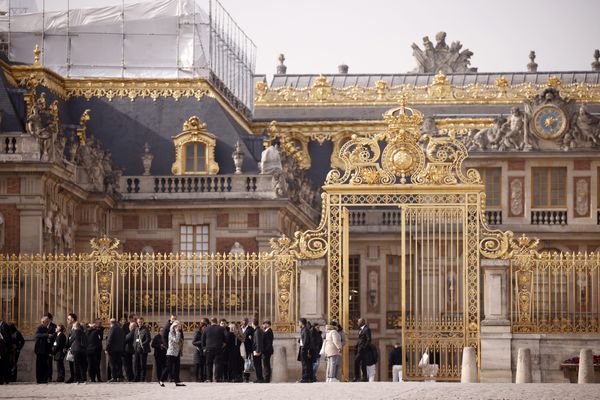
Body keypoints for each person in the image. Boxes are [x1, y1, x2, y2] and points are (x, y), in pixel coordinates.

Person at [159, 320, 185, 387]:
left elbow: (181, 340)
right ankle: (161, 380)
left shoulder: (177, 332)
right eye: (176, 326)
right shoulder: (171, 333)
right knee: (168, 367)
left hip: (176, 352)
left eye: (179, 326)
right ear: (173, 327)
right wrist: (177, 332)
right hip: (171, 352)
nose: (178, 327)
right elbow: (176, 340)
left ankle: (177, 382)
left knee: (176, 367)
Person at [202, 317, 226, 382]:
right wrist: (222, 346)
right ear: (217, 321)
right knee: (217, 363)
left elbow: (203, 340)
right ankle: (217, 378)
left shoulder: (206, 329)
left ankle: (209, 378)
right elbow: (224, 340)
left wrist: (204, 348)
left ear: (211, 322)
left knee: (208, 364)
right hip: (218, 348)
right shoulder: (221, 329)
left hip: (208, 348)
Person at [106, 318, 125, 383]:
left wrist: (107, 348)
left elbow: (109, 339)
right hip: (119, 349)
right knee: (119, 363)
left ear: (111, 323)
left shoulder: (112, 329)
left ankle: (114, 377)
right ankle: (120, 377)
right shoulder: (121, 329)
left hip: (112, 350)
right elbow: (123, 339)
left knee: (112, 364)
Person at [34, 316, 51, 384]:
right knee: (40, 365)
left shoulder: (46, 328)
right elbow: (37, 335)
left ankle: (44, 378)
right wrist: (47, 335)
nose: (48, 323)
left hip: (45, 350)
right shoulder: (39, 327)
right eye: (47, 322)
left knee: (45, 365)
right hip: (40, 350)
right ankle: (40, 379)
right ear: (43, 322)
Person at [134, 317, 151, 382]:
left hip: (143, 350)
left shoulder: (146, 329)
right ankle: (136, 378)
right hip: (136, 349)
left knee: (142, 365)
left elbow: (148, 339)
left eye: (141, 322)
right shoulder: (136, 329)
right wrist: (135, 346)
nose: (140, 323)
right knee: (136, 364)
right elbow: (135, 339)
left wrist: (142, 344)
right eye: (138, 322)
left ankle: (142, 378)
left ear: (143, 322)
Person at [353, 318, 371, 382]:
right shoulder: (360, 330)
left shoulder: (366, 329)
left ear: (362, 322)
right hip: (359, 348)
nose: (357, 323)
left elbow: (369, 339)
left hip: (362, 349)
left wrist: (364, 347)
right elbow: (360, 340)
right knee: (363, 363)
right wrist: (356, 346)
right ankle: (365, 377)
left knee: (356, 361)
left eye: (358, 322)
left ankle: (356, 377)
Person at [298, 318, 312, 383]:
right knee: (304, 364)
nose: (298, 324)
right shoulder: (303, 329)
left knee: (305, 364)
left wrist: (303, 348)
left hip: (304, 349)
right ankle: (305, 377)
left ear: (301, 323)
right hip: (303, 348)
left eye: (299, 322)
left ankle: (305, 378)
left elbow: (306, 340)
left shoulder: (305, 330)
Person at [240, 317, 255, 383]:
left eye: (245, 321)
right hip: (240, 348)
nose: (244, 322)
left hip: (248, 348)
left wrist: (249, 339)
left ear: (247, 322)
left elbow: (253, 339)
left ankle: (246, 378)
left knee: (247, 363)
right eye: (243, 321)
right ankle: (240, 376)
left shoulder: (251, 329)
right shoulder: (239, 329)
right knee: (240, 362)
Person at [65, 313, 77, 383]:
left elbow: (73, 338)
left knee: (75, 364)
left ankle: (75, 378)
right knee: (71, 363)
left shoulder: (76, 326)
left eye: (68, 319)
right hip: (71, 347)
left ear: (72, 319)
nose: (67, 320)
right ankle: (72, 377)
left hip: (75, 348)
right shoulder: (72, 327)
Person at [45, 313, 56, 382]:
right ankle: (45, 376)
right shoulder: (43, 325)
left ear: (49, 319)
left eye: (46, 318)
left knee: (49, 362)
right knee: (44, 362)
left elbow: (55, 335)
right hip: (44, 347)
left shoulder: (54, 326)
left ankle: (49, 377)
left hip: (50, 346)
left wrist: (51, 337)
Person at [0, 318, 11, 385]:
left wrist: (7, 348)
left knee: (4, 364)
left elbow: (7, 337)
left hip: (4, 349)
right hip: (3, 349)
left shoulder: (4, 325)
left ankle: (6, 379)